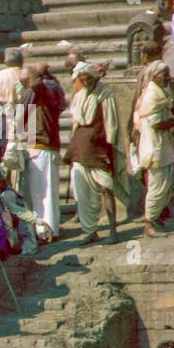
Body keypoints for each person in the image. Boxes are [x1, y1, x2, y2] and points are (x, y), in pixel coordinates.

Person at [65, 61, 130, 244]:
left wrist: (109, 149)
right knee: (82, 192)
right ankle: (89, 230)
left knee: (106, 189)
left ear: (94, 77)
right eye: (81, 78)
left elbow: (111, 125)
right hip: (79, 148)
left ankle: (112, 231)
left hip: (98, 149)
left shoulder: (105, 94)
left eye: (87, 77)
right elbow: (75, 123)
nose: (85, 81)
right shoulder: (78, 95)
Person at [131, 60, 174, 237]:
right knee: (157, 187)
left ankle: (154, 218)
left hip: (163, 147)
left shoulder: (160, 92)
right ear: (156, 75)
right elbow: (156, 123)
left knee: (166, 185)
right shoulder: (152, 95)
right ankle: (149, 224)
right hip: (155, 148)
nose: (167, 77)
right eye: (164, 74)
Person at [20, 64, 66, 235]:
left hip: (41, 144)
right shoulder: (50, 88)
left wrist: (37, 74)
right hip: (44, 144)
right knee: (45, 193)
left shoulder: (40, 89)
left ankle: (45, 231)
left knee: (41, 194)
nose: (23, 86)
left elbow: (34, 87)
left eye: (24, 82)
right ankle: (48, 229)